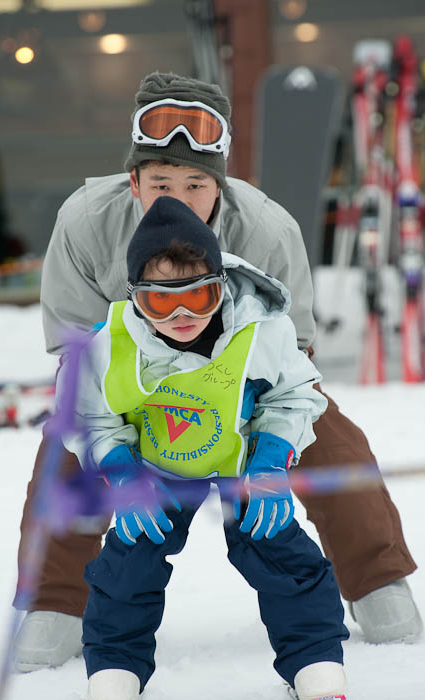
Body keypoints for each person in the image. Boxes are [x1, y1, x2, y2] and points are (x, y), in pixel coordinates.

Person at [13, 71, 422, 672]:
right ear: (133, 181)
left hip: (247, 392)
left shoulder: (268, 228)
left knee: (334, 439)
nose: (176, 197)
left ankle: (376, 578)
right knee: (65, 451)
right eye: (159, 182)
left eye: (195, 183)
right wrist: (117, 454)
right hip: (133, 392)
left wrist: (270, 447)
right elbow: (77, 362)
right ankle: (55, 600)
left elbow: (295, 361)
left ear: (219, 187)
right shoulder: (84, 223)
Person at [59, 194, 350, 700]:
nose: (180, 315)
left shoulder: (260, 331)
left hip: (241, 461)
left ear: (219, 287)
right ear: (135, 298)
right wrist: (121, 474)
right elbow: (89, 417)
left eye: (197, 297)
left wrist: (270, 461)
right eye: (159, 300)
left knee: (280, 550)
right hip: (155, 469)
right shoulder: (112, 344)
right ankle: (114, 675)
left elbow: (296, 394)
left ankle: (317, 666)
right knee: (128, 563)